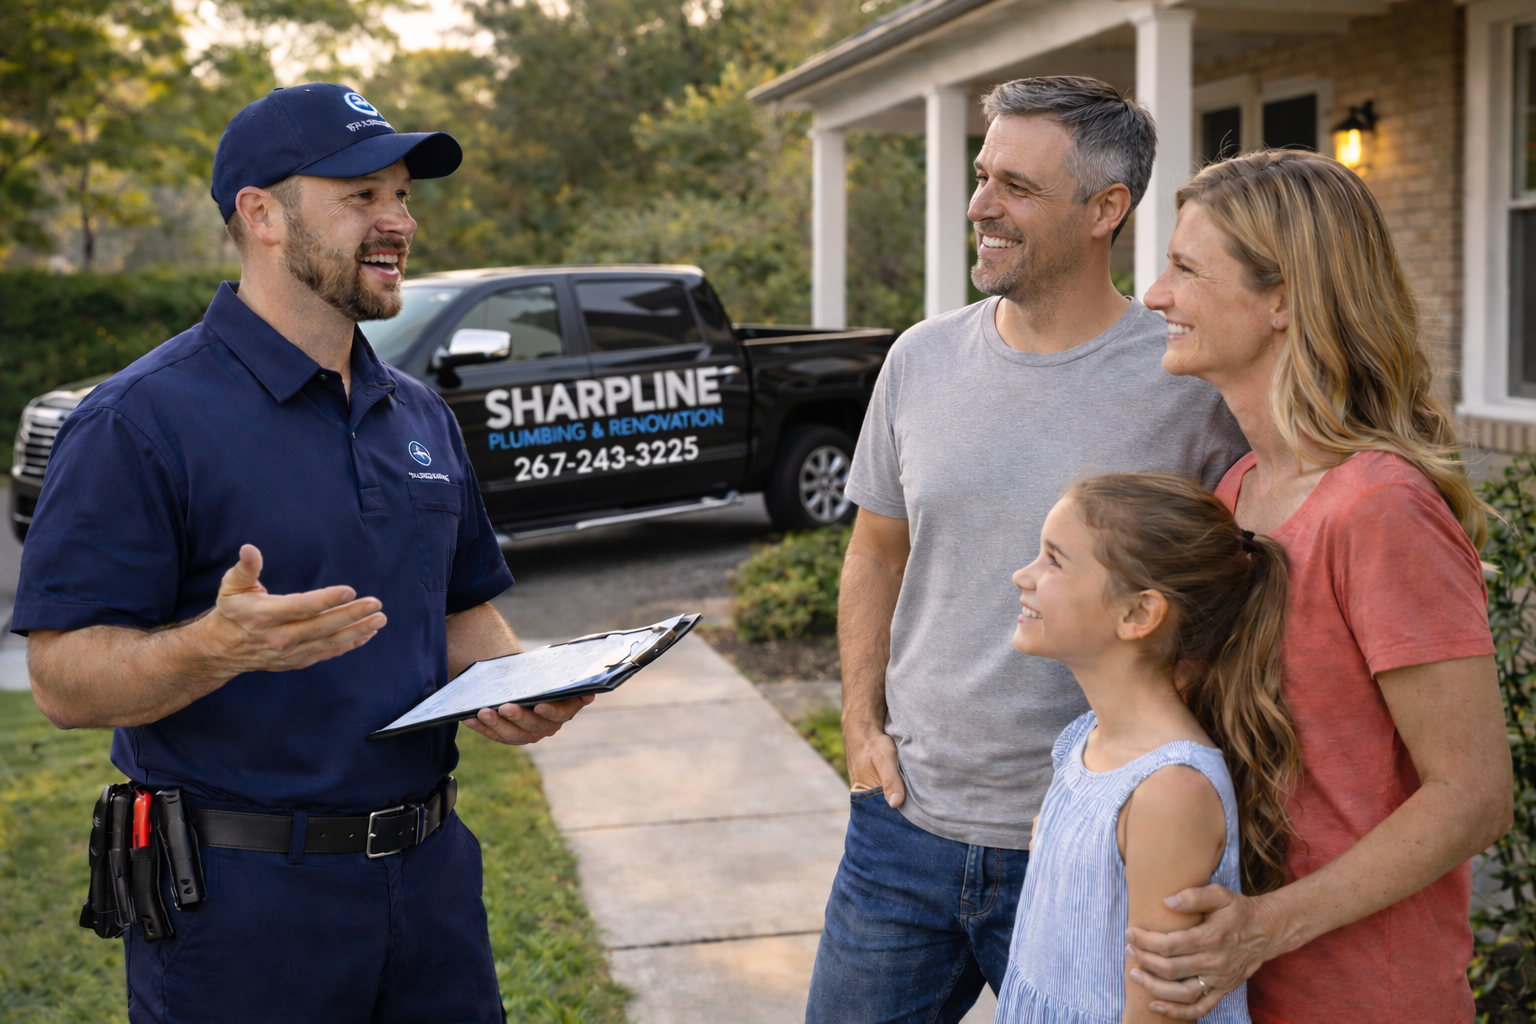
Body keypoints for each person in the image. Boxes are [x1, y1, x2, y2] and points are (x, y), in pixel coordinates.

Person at [13, 83, 590, 1023]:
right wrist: (217, 645)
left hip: (433, 881)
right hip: (240, 910)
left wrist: (514, 684)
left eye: (403, 195)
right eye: (362, 195)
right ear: (261, 215)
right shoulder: (140, 421)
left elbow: (459, 610)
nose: (398, 220)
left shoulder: (420, 414)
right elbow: (59, 680)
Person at [805, 75, 1250, 1023]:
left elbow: (1236, 596)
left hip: (1092, 843)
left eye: (1016, 185)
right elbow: (876, 553)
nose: (980, 205)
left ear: (1106, 209)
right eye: (981, 175)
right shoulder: (919, 360)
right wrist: (858, 721)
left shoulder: (1190, 380)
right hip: (902, 826)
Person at [1128, 149, 1513, 1022]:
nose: (1154, 295)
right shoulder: (1237, 493)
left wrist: (1264, 928)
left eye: (1186, 268)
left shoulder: (1380, 509)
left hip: (1363, 996)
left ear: (1285, 299)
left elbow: (1474, 794)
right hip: (1237, 992)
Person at [993, 472, 1295, 1024]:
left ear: (1137, 615)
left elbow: (1158, 1014)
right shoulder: (1082, 740)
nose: (1023, 575)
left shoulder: (1169, 790)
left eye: (1054, 561)